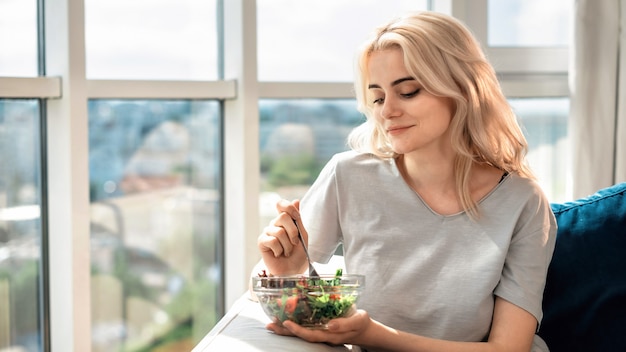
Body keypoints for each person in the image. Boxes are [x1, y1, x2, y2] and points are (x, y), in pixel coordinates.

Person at [255, 11, 557, 352]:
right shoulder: (349, 175)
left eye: (408, 92)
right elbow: (290, 307)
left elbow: (509, 349)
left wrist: (371, 335)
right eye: (379, 98)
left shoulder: (523, 201)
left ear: (461, 88)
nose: (387, 112)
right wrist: (290, 272)